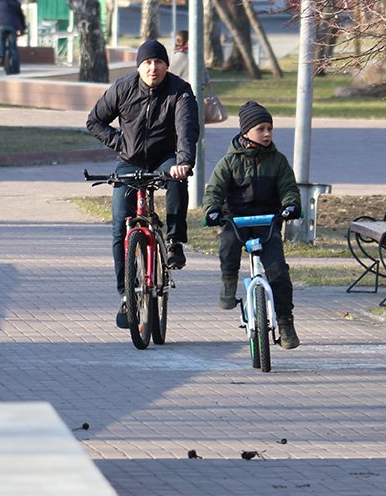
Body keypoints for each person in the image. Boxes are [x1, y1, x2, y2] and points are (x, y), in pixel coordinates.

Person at [86, 39, 200, 328]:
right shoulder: (123, 88)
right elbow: (94, 121)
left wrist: (183, 161)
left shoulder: (180, 91)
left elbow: (187, 130)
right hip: (130, 160)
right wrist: (120, 143)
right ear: (139, 66)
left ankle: (174, 241)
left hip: (165, 158)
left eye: (158, 62)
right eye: (147, 63)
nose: (153, 68)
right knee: (118, 225)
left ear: (166, 65)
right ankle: (126, 295)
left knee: (177, 180)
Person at [202, 101, 303, 349]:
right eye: (261, 128)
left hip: (267, 222)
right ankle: (228, 281)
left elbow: (289, 188)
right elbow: (214, 190)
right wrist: (213, 209)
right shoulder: (229, 162)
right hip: (237, 220)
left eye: (270, 128)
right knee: (228, 247)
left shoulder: (278, 161)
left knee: (278, 271)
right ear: (246, 131)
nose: (267, 133)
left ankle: (286, 321)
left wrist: (290, 206)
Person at [0, 0, 27, 74]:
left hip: (0, 26)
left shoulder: (0, 2)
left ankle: (1, 57)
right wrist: (23, 29)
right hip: (12, 27)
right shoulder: (16, 3)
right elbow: (21, 17)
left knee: (2, 40)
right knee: (13, 47)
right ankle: (15, 69)